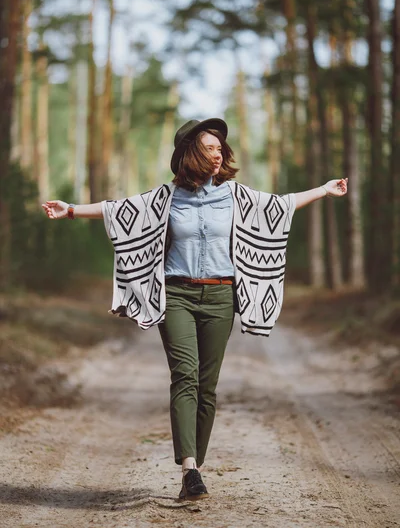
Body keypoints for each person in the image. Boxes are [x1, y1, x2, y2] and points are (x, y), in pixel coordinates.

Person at [42, 117, 348, 500]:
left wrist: (323, 189)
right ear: (191, 153)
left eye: (221, 147)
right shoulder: (167, 199)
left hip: (221, 298)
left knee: (208, 387)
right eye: (210, 147)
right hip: (177, 296)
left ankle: (195, 468)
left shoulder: (236, 196)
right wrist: (70, 210)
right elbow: (119, 210)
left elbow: (281, 206)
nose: (219, 153)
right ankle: (189, 469)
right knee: (184, 376)